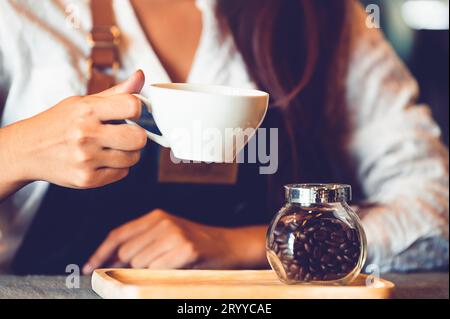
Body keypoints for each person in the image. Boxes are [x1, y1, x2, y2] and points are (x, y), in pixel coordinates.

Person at [0, 0, 448, 275]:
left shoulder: (324, 17)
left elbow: (436, 205)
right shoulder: (20, 14)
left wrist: (261, 243)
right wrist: (18, 153)